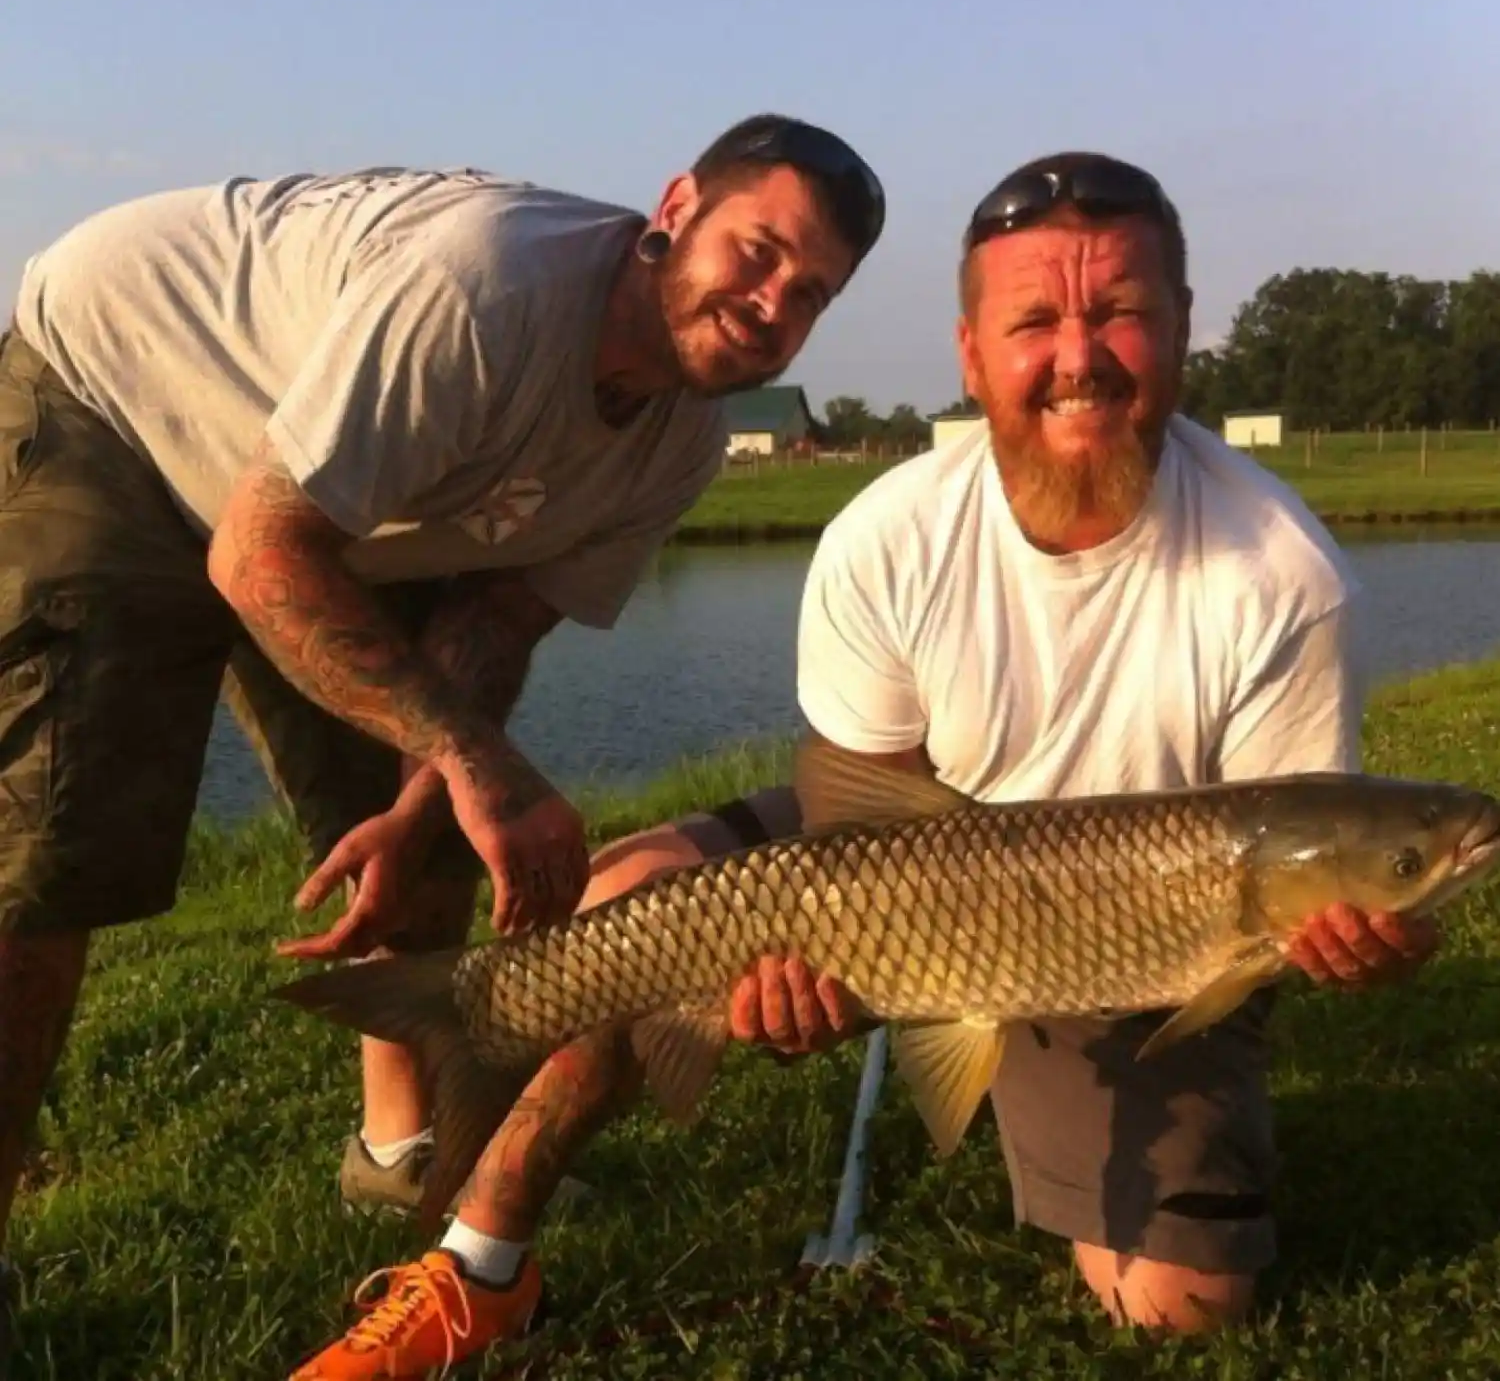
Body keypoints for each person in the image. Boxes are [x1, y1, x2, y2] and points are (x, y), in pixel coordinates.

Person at [285, 147, 1450, 1377]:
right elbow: (851, 806)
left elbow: (1292, 892)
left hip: (1135, 956)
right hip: (907, 849)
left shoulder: (1284, 575)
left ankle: (1040, 1102)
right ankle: (478, 1265)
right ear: (969, 352)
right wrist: (828, 959)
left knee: (1180, 1305)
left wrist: (1380, 933)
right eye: (1035, 321)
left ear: (1181, 331)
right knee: (625, 913)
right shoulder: (887, 534)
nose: (1079, 356)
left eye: (1121, 314)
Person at [0, 112, 886, 1373]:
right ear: (676, 207)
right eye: (758, 253)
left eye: (810, 296)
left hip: (326, 498)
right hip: (124, 400)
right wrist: (481, 766)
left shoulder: (681, 442)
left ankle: (399, 1146)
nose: (770, 306)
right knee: (45, 854)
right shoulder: (488, 290)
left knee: (429, 830)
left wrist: (437, 795)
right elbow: (257, 554)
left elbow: (498, 621)